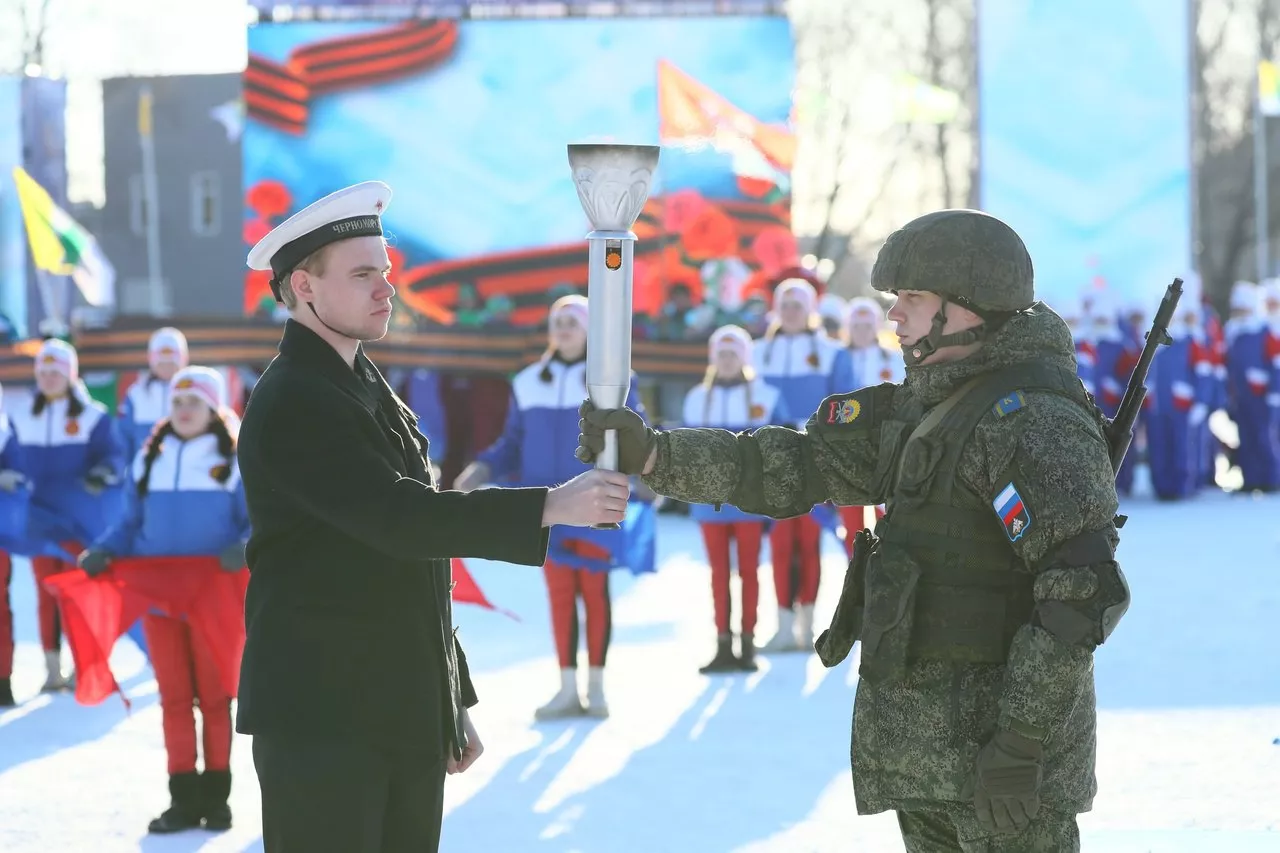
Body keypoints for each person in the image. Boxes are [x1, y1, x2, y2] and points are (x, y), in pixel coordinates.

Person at [578, 209, 1130, 852]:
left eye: (912, 299)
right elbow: (793, 464)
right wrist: (656, 456)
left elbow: (1081, 595)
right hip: (927, 760)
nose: (894, 315)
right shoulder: (927, 405)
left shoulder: (1034, 421)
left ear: (969, 308)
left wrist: (1020, 744)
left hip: (1002, 780)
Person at [240, 180, 628, 853]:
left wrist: (447, 692)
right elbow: (400, 518)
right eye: (363, 274)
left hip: (396, 707)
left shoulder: (358, 381)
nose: (386, 288)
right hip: (324, 719)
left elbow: (413, 568)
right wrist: (551, 505)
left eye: (385, 272)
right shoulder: (296, 399)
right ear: (303, 286)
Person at [454, 294, 648, 720]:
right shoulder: (526, 382)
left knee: (594, 594)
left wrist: (645, 478)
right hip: (547, 510)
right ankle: (565, 688)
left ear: (590, 331)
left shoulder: (612, 380)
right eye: (557, 321)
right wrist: (483, 468)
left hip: (597, 505)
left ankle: (595, 688)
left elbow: (636, 437)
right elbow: (512, 443)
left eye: (572, 321)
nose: (563, 329)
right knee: (561, 597)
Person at [79, 366, 249, 834]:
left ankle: (217, 798)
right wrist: (104, 549)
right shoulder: (149, 457)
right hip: (158, 596)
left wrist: (245, 547)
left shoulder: (233, 458)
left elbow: (255, 521)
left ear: (213, 407)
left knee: (215, 699)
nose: (185, 410)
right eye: (177, 402)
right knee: (174, 698)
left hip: (213, 593)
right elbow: (129, 522)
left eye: (195, 402)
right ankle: (182, 797)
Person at [7, 338, 126, 692]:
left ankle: (84, 664)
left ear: (70, 374)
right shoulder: (22, 415)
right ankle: (52, 668)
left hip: (79, 521)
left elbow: (114, 455)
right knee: (46, 592)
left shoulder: (92, 417)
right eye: (43, 372)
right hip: (38, 520)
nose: (49, 378)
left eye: (56, 371)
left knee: (79, 591)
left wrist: (103, 473)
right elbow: (9, 456)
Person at [752, 278, 854, 653]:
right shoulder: (755, 352)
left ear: (811, 308)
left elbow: (846, 407)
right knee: (780, 544)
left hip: (814, 460)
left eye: (798, 304)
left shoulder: (832, 353)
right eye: (785, 304)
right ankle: (782, 625)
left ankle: (808, 624)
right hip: (771, 459)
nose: (791, 311)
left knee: (809, 544)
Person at [680, 325, 788, 673]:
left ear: (744, 357)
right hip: (709, 502)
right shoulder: (697, 397)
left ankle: (748, 642)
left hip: (749, 501)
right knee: (719, 573)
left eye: (733, 354)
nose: (726, 361)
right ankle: (722, 642)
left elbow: (783, 444)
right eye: (721, 354)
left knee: (749, 571)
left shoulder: (766, 395)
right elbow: (682, 448)